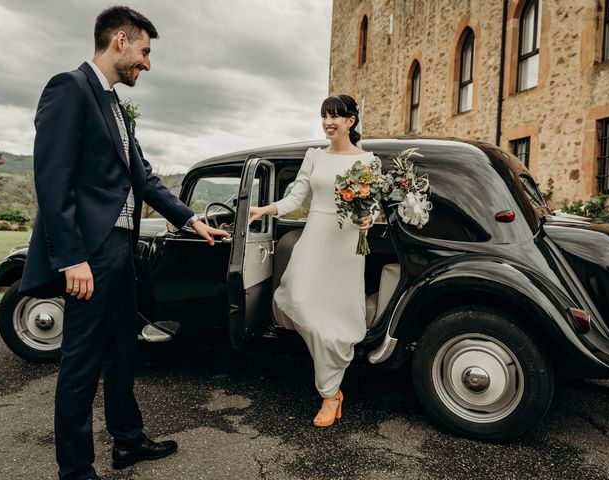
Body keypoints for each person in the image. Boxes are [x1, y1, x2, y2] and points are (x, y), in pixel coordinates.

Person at [19, 6, 230, 480]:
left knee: (122, 348)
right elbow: (53, 183)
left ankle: (128, 442)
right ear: (120, 40)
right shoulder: (68, 88)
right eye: (145, 51)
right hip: (89, 254)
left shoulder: (114, 104)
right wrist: (72, 257)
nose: (148, 64)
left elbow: (145, 178)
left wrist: (191, 219)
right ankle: (75, 470)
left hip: (119, 252)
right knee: (80, 363)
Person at [249, 94, 374, 427]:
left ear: (351, 120)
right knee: (298, 300)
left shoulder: (368, 160)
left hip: (346, 247)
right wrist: (265, 209)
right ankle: (331, 388)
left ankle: (330, 394)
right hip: (315, 239)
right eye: (324, 116)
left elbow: (372, 207)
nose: (328, 122)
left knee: (334, 320)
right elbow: (294, 198)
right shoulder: (314, 156)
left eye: (335, 116)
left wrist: (368, 219)